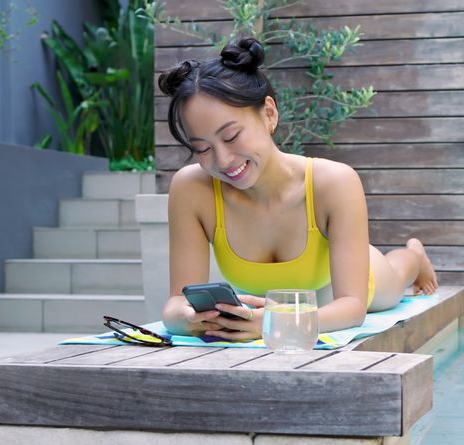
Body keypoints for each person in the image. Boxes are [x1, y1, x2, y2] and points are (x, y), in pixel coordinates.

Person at [157, 37, 438, 341]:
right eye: (201, 148)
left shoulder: (333, 181)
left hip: (344, 286)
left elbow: (353, 308)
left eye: (232, 136)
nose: (222, 160)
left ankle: (415, 255)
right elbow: (175, 305)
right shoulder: (191, 188)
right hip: (270, 306)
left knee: (395, 278)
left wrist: (272, 322)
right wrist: (189, 317)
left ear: (269, 113)